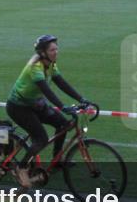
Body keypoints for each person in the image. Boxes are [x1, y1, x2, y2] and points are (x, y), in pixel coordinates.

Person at [6, 34, 92, 183]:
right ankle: (21, 168)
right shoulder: (35, 67)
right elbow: (46, 90)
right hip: (18, 107)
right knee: (41, 139)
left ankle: (56, 160)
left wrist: (81, 99)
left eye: (56, 49)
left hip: (36, 104)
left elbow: (61, 82)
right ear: (43, 53)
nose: (56, 52)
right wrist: (63, 107)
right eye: (52, 50)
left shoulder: (51, 64)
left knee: (63, 124)